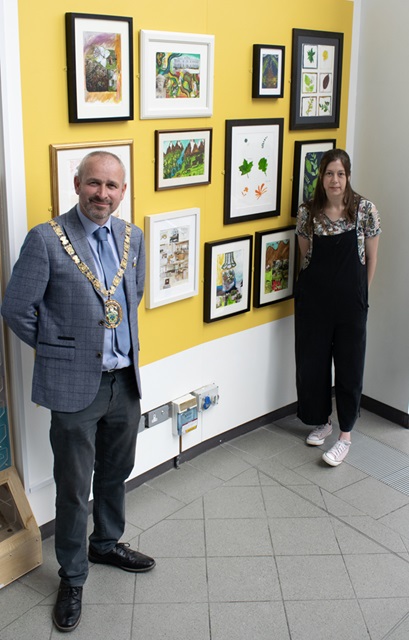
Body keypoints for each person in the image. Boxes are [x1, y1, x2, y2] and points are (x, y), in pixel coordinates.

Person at [1, 151, 155, 632]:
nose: (102, 195)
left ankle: (106, 543)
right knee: (73, 487)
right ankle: (72, 577)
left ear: (123, 191)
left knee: (116, 471)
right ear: (77, 183)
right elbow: (16, 308)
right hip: (74, 391)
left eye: (112, 186)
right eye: (94, 184)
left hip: (123, 381)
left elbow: (134, 296)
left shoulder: (134, 238)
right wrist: (61, 352)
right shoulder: (46, 240)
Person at [294, 148, 381, 467]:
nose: (335, 180)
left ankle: (345, 435)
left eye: (340, 174)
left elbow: (371, 258)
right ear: (321, 178)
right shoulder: (308, 212)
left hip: (351, 304)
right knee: (313, 364)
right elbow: (305, 255)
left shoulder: (364, 210)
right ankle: (322, 421)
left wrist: (360, 295)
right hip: (314, 302)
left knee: (349, 366)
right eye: (329, 173)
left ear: (348, 176)